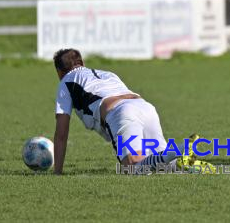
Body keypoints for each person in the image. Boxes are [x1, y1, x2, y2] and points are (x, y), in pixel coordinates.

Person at [52, 48, 215, 174]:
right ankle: (189, 164)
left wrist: (57, 172)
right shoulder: (107, 73)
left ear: (59, 71)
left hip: (121, 113)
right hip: (145, 107)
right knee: (162, 164)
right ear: (82, 63)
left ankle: (180, 149)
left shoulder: (65, 82)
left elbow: (61, 133)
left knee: (132, 167)